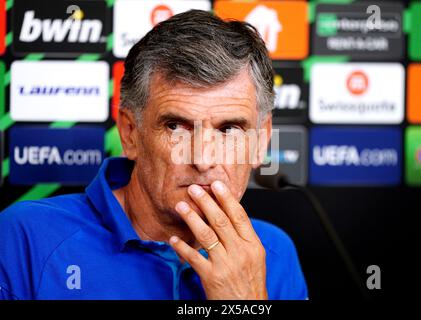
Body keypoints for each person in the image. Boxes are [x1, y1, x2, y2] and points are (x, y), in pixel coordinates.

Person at [0, 10, 308, 300]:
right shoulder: (26, 237)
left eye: (228, 129)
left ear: (260, 140)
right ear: (130, 133)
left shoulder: (273, 252)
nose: (202, 159)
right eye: (176, 126)